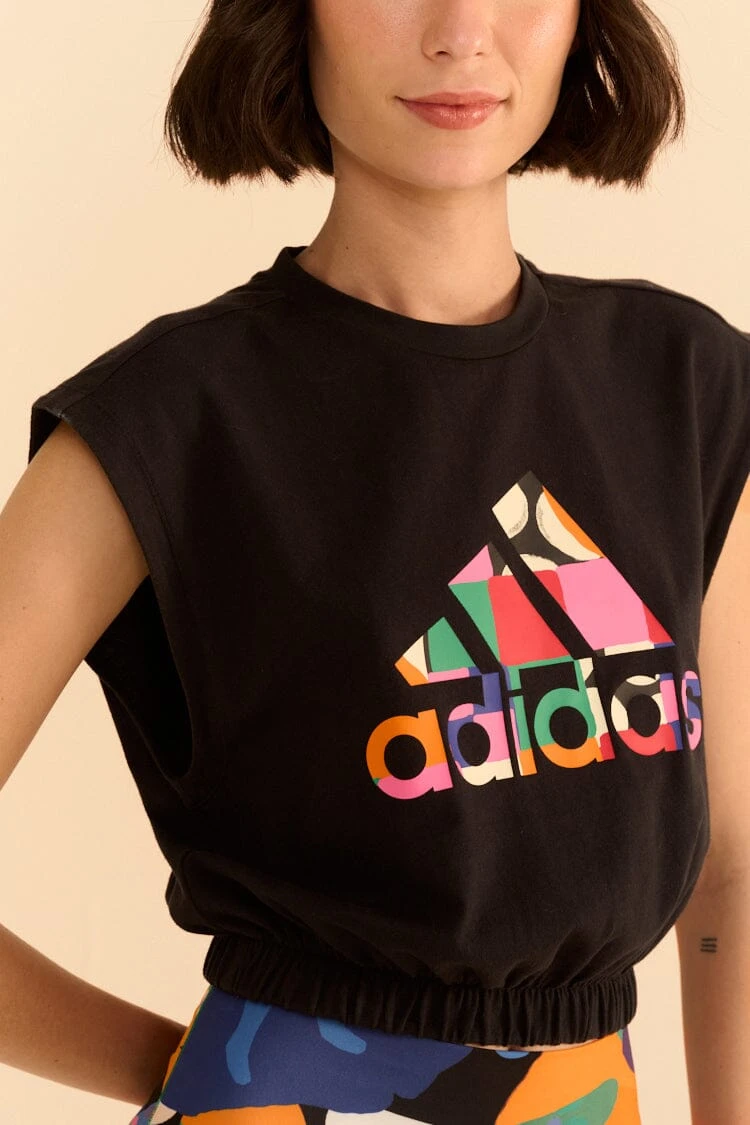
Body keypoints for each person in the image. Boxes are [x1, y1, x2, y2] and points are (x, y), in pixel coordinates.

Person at [2, 0, 748, 1122]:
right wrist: (188, 1073)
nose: (462, 30)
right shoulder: (166, 420)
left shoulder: (683, 387)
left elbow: (730, 875)